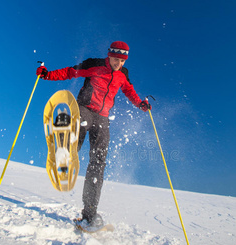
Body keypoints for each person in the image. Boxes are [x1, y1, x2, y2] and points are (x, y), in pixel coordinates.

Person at [36, 41, 151, 227]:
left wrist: (140, 104)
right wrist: (47, 75)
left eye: (122, 61)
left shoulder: (123, 74)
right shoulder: (95, 64)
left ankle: (89, 214)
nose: (118, 64)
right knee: (81, 123)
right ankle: (66, 149)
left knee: (98, 162)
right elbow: (70, 72)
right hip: (84, 109)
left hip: (103, 119)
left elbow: (129, 90)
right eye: (116, 59)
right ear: (109, 55)